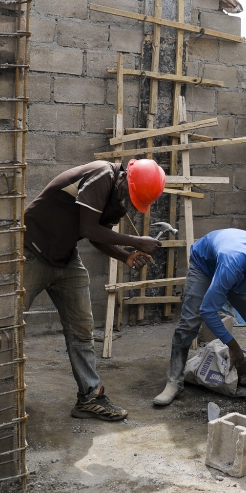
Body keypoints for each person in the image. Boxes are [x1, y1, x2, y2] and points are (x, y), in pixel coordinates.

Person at [23, 158, 165, 421]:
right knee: (8, 326)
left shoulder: (119, 198)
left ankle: (89, 397)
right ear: (124, 177)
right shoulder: (101, 175)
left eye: (133, 200)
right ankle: (3, 394)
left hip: (65, 257)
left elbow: (97, 235)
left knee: (82, 329)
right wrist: (136, 241)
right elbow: (87, 228)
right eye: (129, 194)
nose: (127, 202)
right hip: (31, 250)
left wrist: (126, 256)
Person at [152, 228, 246, 407]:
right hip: (205, 265)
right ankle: (174, 381)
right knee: (189, 322)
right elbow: (208, 310)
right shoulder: (232, 264)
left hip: (237, 267)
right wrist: (232, 346)